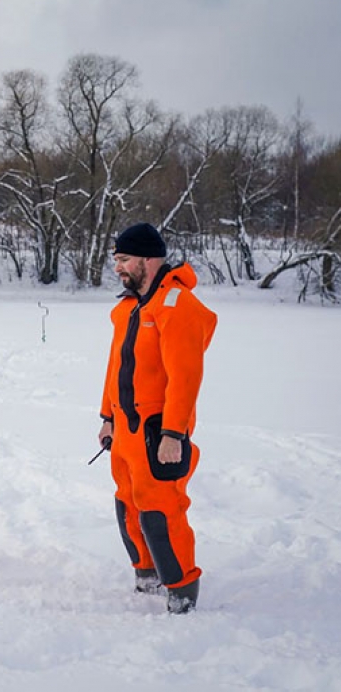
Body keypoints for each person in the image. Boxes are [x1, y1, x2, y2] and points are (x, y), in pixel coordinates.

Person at [97, 223, 217, 614]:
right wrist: (106, 417)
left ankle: (182, 588)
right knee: (127, 506)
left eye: (124, 259)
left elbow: (186, 377)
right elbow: (115, 368)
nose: (118, 268)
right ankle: (146, 574)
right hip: (124, 430)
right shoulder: (129, 307)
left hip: (156, 434)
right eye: (116, 259)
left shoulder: (178, 305)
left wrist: (173, 433)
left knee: (160, 510)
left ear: (149, 259)